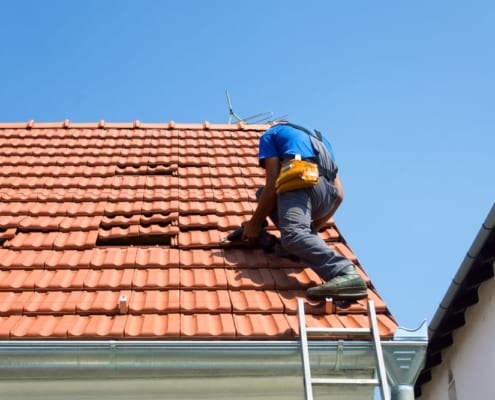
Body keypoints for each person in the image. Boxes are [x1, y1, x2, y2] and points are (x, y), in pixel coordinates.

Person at [241, 121, 367, 301]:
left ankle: (345, 273)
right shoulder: (322, 141)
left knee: (292, 234)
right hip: (326, 198)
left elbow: (271, 187)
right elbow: (339, 195)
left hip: (301, 183)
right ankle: (300, 243)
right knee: (263, 195)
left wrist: (254, 224)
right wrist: (314, 227)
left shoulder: (270, 135)